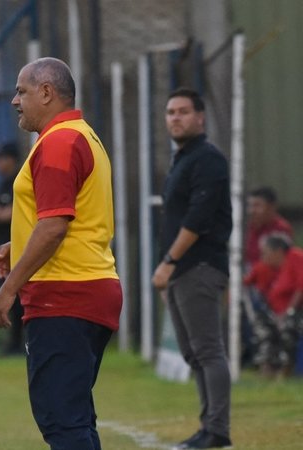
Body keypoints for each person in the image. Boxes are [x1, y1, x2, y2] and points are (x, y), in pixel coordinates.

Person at [0, 57, 122, 450]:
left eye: (21, 91)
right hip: (88, 287)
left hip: (66, 294)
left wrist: (9, 288)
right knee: (73, 416)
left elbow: (55, 225)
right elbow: (64, 218)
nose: (14, 101)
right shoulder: (81, 134)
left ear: (47, 92)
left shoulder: (59, 142)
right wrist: (19, 243)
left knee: (61, 420)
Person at [152, 88, 233, 449]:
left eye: (183, 111)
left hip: (198, 266)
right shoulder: (183, 159)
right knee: (193, 352)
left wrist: (169, 262)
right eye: (170, 112)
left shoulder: (208, 159)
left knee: (208, 350)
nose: (175, 118)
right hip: (183, 270)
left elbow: (198, 218)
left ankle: (217, 430)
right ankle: (208, 426)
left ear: (201, 117)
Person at [245, 233, 303, 377]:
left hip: (295, 312)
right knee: (263, 327)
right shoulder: (270, 267)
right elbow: (247, 281)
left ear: (277, 251)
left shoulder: (295, 256)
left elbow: (301, 286)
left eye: (265, 253)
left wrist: (289, 311)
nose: (263, 257)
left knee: (288, 327)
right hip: (275, 312)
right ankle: (267, 371)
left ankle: (285, 372)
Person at [0, 141, 23, 355]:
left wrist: (1, 213)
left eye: (1, 159)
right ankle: (11, 341)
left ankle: (18, 342)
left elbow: (14, 212)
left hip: (19, 246)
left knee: (18, 297)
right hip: (4, 248)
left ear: (12, 160)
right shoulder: (1, 184)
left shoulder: (18, 180)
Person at [244, 186, 293, 268]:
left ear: (271, 207)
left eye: (257, 206)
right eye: (250, 206)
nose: (252, 211)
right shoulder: (246, 228)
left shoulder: (280, 229)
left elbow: (278, 262)